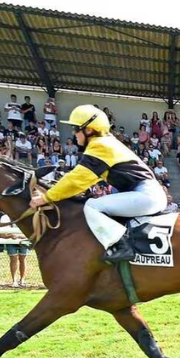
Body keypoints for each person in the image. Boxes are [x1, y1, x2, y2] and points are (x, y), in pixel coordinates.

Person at [29, 105, 166, 264]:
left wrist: (46, 197)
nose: (74, 134)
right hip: (145, 193)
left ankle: (123, 246)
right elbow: (82, 180)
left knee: (92, 206)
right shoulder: (105, 143)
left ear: (89, 130)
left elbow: (76, 180)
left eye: (76, 129)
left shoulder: (100, 145)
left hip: (145, 194)